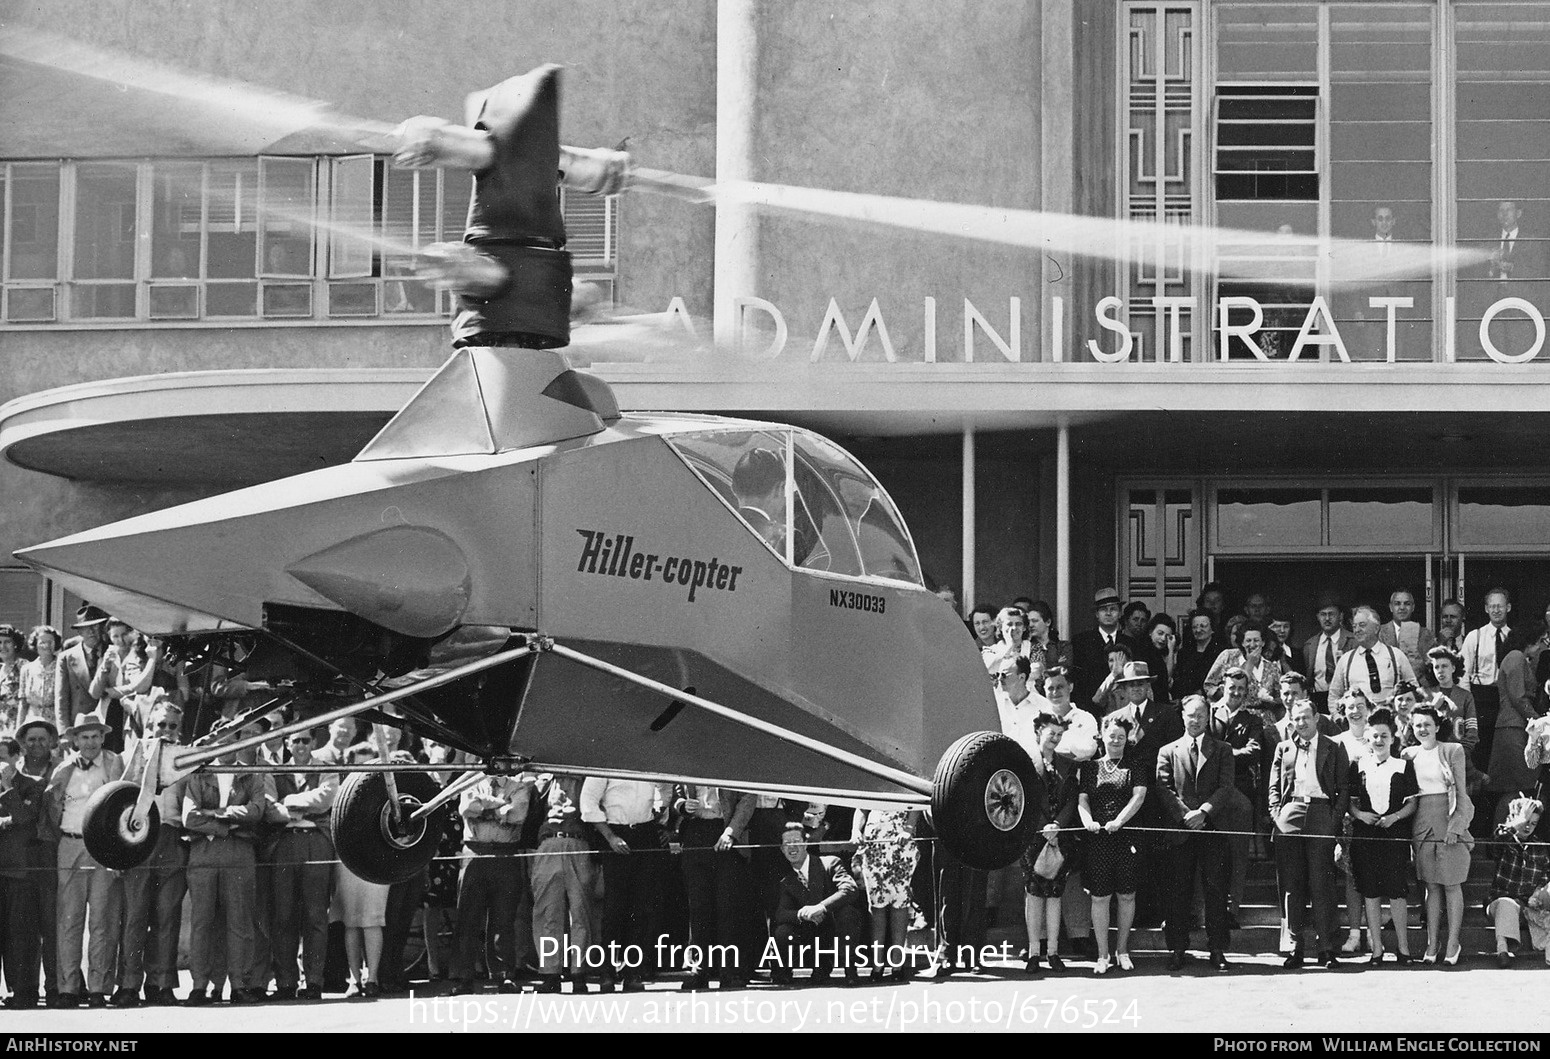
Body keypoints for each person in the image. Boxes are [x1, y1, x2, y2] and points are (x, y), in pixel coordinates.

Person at [1155, 695, 1243, 972]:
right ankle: (1177, 949)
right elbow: (1163, 788)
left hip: (1211, 828)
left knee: (1215, 891)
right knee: (1178, 891)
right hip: (1180, 831)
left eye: (1201, 715)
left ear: (1209, 717)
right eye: (1190, 715)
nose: (1195, 720)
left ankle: (1217, 949)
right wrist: (1186, 815)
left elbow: (1226, 787)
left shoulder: (1223, 749)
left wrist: (1203, 812)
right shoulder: (1167, 751)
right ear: (1182, 716)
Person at [47, 712, 125, 1007]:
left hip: (102, 847)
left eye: (95, 736)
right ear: (75, 740)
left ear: (102, 738)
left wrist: (116, 850)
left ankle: (97, 988)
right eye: (84, 737)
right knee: (69, 918)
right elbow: (53, 811)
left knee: (102, 918)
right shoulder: (64, 769)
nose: (90, 742)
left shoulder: (113, 763)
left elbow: (120, 804)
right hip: (70, 844)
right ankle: (68, 987)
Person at [181, 736, 266, 1005]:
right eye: (221, 742)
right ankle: (199, 986)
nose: (226, 747)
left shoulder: (250, 775)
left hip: (239, 854)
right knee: (202, 923)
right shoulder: (199, 774)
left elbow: (256, 810)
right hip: (204, 853)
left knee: (240, 921)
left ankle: (239, 984)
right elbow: (189, 817)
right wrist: (225, 825)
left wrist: (215, 812)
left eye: (232, 741)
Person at [1268, 701, 1350, 969]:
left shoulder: (1333, 746)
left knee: (1322, 883)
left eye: (1306, 717)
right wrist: (1277, 815)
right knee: (1292, 885)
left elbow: (1343, 789)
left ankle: (1327, 948)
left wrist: (1333, 820)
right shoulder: (1284, 747)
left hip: (1320, 811)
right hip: (1291, 812)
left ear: (1316, 717)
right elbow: (1273, 787)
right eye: (1296, 719)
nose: (1301, 723)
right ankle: (1295, 947)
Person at [116, 704, 188, 1006]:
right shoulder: (132, 755)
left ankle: (162, 983)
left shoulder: (187, 758)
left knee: (167, 915)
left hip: (172, 837)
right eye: (161, 725)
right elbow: (118, 799)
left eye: (172, 726)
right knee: (134, 915)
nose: (166, 731)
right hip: (139, 837)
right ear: (149, 726)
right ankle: (129, 984)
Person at [581, 776, 670, 991]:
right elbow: (588, 801)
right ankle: (607, 973)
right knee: (614, 908)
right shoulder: (607, 761)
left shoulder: (651, 758)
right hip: (615, 833)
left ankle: (633, 972)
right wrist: (610, 836)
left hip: (646, 832)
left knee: (643, 907)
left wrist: (661, 804)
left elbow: (666, 787)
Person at [1402, 703, 1474, 965]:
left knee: (1452, 885)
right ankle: (1433, 943)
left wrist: (1457, 826)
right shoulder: (1408, 754)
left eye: (1427, 724)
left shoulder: (1452, 750)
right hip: (1422, 824)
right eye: (1418, 725)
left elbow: (1462, 793)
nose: (1422, 729)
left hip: (1449, 819)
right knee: (1431, 887)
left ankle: (1453, 943)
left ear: (1436, 726)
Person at [449, 771, 533, 995]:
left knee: (504, 919)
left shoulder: (519, 787)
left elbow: (518, 813)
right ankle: (464, 978)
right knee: (467, 918)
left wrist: (485, 809)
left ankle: (503, 976)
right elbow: (467, 808)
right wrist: (500, 807)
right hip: (475, 854)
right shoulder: (472, 783)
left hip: (506, 856)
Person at [270, 727, 338, 1001]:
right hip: (284, 844)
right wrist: (292, 809)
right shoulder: (274, 771)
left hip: (316, 842)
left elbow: (325, 800)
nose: (300, 745)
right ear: (287, 743)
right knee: (283, 915)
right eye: (295, 740)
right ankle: (286, 982)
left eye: (305, 740)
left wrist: (289, 802)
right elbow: (268, 806)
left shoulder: (327, 768)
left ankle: (314, 982)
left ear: (313, 742)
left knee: (315, 915)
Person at [1346, 708, 1417, 966]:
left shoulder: (1403, 766)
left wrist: (1395, 817)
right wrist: (1360, 815)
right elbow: (1350, 802)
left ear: (1392, 737)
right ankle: (1377, 950)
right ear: (1368, 737)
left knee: (1397, 892)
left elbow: (1411, 804)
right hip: (1366, 835)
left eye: (1384, 736)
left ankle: (1404, 949)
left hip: (1394, 834)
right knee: (1371, 892)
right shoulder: (1358, 765)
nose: (1379, 740)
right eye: (1374, 735)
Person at [1078, 715, 1148, 975]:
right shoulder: (1090, 768)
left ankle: (1123, 950)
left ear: (1126, 738)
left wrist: (1119, 820)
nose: (1116, 740)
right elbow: (1082, 800)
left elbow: (1139, 796)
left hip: (1126, 837)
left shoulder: (1135, 765)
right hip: (1098, 840)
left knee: (1127, 895)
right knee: (1100, 897)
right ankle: (1102, 954)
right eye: (1111, 735)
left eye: (1121, 736)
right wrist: (1088, 820)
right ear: (1103, 736)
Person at [675, 785, 754, 990]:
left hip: (725, 831)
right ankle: (698, 969)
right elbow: (676, 792)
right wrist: (682, 806)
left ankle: (729, 970)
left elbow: (747, 797)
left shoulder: (733, 759)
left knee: (727, 906)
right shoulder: (689, 759)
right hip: (695, 833)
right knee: (698, 907)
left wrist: (731, 832)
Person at [1211, 667, 1271, 922]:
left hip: (1241, 793)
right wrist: (1230, 754)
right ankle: (1210, 910)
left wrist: (1221, 755)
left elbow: (1254, 750)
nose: (1235, 693)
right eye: (1231, 688)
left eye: (1240, 690)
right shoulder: (1209, 714)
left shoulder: (1252, 720)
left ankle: (1231, 910)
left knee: (1237, 855)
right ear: (1223, 687)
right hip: (1210, 793)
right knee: (1212, 854)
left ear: (1247, 693)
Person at [769, 822, 862, 985]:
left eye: (797, 842)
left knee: (847, 913)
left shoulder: (830, 863)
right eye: (787, 844)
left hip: (833, 924)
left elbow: (850, 889)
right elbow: (781, 913)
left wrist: (821, 907)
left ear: (806, 843)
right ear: (782, 849)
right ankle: (784, 973)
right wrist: (802, 914)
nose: (792, 847)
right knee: (783, 930)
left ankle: (850, 971)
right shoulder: (786, 878)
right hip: (810, 929)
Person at [1020, 713, 1076, 975]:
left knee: (1055, 895)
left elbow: (1072, 800)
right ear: (1038, 732)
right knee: (1033, 894)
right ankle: (1034, 953)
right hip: (1033, 836)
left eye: (1059, 734)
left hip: (1059, 838)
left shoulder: (1066, 764)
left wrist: (1058, 825)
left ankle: (1053, 952)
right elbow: (1024, 797)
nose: (1055, 739)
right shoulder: (1025, 763)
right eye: (1050, 733)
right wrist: (1044, 826)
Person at [0, 723, 44, 1008]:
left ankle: (25, 991)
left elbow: (27, 819)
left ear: (16, 757)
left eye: (2, 757)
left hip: (20, 871)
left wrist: (6, 787)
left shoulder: (33, 785)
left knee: (22, 934)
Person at [855, 806, 920, 982]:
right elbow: (861, 807)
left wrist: (908, 829)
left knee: (900, 904)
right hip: (874, 845)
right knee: (877, 906)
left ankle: (897, 965)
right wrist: (856, 831)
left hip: (901, 843)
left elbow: (916, 805)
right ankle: (877, 966)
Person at [1487, 796, 1550, 967]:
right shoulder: (1505, 840)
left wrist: (1537, 894)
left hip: (1529, 908)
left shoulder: (1539, 847)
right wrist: (1519, 821)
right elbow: (1496, 842)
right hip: (1501, 904)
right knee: (1506, 904)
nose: (1528, 827)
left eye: (1533, 823)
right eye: (1526, 821)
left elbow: (1546, 877)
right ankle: (1502, 951)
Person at [1461, 588, 1513, 774]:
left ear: (1508, 607)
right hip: (1481, 697)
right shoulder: (1475, 636)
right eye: (1492, 606)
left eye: (1500, 606)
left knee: (1504, 743)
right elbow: (1463, 673)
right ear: (1486, 609)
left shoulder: (1514, 637)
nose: (1496, 610)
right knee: (1481, 747)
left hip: (1506, 696)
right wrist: (1469, 702)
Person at [1329, 605, 1418, 707]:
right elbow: (1334, 696)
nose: (1357, 630)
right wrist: (1339, 718)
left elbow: (1414, 689)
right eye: (1354, 626)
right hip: (1358, 719)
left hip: (1390, 719)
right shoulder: (1346, 660)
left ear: (1376, 628)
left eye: (1362, 625)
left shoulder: (1396, 655)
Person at [1071, 588, 1135, 709]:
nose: (1108, 613)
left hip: (1123, 707)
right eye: (1103, 609)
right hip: (1090, 707)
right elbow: (1078, 682)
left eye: (1113, 609)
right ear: (1096, 614)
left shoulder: (1131, 643)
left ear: (1120, 612)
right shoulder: (1081, 641)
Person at [54, 608, 109, 746]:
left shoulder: (111, 652)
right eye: (87, 628)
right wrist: (64, 732)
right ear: (79, 632)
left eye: (96, 626)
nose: (92, 631)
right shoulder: (66, 657)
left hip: (107, 723)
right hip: (79, 724)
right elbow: (61, 698)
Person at [1204, 620, 1285, 711]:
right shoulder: (1228, 657)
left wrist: (1271, 701)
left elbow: (1280, 695)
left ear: (1263, 642)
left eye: (1256, 640)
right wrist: (1226, 695)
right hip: (1236, 716)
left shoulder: (1272, 668)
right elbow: (1209, 686)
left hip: (1266, 720)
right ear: (1242, 643)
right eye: (1248, 641)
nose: (1252, 645)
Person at [1304, 600, 1354, 716]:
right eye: (1323, 614)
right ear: (1318, 617)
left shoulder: (1352, 641)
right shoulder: (1310, 645)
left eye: (1331, 614)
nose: (1327, 618)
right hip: (1319, 699)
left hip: (1345, 697)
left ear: (1340, 616)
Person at [1381, 589, 1436, 688]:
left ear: (1413, 607)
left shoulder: (1425, 634)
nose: (1402, 607)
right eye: (1397, 604)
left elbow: (1430, 665)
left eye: (1407, 604)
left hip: (1418, 689)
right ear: (1391, 607)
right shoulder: (1379, 632)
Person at [1428, 646, 1480, 752]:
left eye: (1444, 666)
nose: (1440, 671)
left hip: (1460, 753)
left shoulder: (1466, 696)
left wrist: (1461, 752)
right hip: (1433, 753)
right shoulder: (1426, 694)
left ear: (1453, 668)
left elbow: (1472, 732)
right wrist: (1433, 707)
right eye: (1436, 667)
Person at [1174, 609, 1226, 702]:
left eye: (1203, 626)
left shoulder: (1221, 652)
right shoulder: (1184, 653)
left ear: (1212, 629)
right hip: (1186, 702)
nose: (1198, 630)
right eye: (1195, 627)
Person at [18, 626, 61, 737]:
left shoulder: (62, 668)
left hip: (55, 726)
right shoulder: (27, 669)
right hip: (31, 724)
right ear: (35, 644)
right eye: (42, 642)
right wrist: (18, 730)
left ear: (55, 644)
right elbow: (23, 704)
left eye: (50, 642)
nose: (46, 646)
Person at [1135, 613, 1176, 705]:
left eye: (1167, 636)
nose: (1163, 639)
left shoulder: (1161, 653)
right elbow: (1165, 679)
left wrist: (1171, 649)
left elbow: (1166, 678)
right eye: (1160, 633)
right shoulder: (1144, 651)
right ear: (1150, 632)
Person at [1024, 600, 1074, 675]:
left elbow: (1064, 671)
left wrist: (1040, 669)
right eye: (1029, 622)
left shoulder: (1063, 647)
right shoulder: (1026, 647)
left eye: (1035, 621)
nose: (1030, 625)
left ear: (1048, 622)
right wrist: (1056, 664)